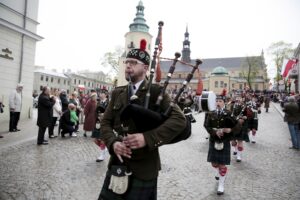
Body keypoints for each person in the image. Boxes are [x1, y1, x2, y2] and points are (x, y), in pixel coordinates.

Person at [98, 41, 186, 200]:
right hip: (118, 163)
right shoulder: (118, 93)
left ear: (145, 68)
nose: (128, 66)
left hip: (144, 168)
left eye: (133, 63)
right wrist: (113, 143)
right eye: (127, 62)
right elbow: (105, 123)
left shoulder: (156, 92)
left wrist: (147, 138)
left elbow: (179, 120)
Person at [204, 94, 239, 195]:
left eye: (220, 101)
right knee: (214, 163)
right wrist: (215, 132)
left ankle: (221, 185)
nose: (218, 103)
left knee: (222, 164)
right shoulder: (211, 113)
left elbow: (237, 126)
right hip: (214, 140)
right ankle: (218, 170)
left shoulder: (229, 113)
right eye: (217, 101)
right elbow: (206, 125)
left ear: (224, 103)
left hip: (224, 141)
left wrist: (230, 130)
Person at [93, 89, 109, 162]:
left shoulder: (109, 102)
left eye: (102, 93)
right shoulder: (98, 102)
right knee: (95, 140)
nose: (100, 94)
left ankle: (102, 155)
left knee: (102, 140)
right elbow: (96, 112)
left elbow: (111, 113)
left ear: (106, 94)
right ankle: (104, 149)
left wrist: (104, 115)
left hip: (105, 123)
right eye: (100, 93)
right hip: (98, 123)